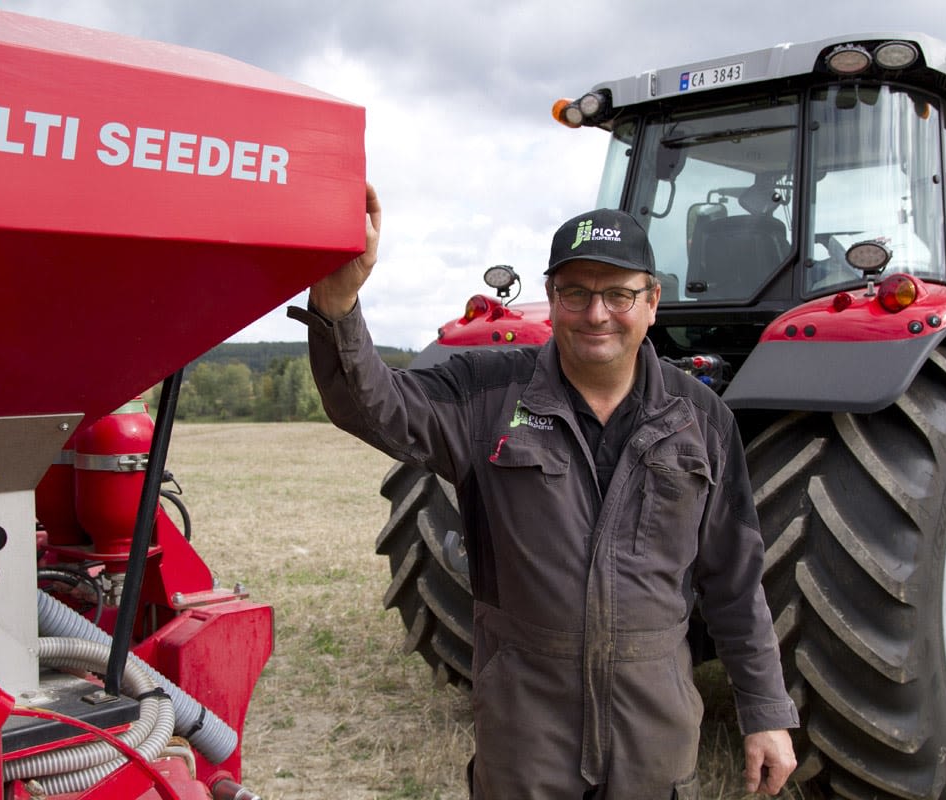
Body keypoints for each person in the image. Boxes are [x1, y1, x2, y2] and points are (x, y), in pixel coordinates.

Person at [291, 184, 799, 798]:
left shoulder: (703, 418)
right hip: (527, 728)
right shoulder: (487, 395)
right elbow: (372, 405)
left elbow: (735, 582)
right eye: (576, 292)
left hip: (654, 730)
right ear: (552, 298)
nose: (596, 313)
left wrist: (766, 711)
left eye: (618, 293)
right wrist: (338, 303)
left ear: (652, 300)